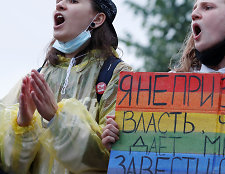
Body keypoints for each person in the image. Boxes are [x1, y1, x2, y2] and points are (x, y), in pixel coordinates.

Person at [103, 0, 225, 173]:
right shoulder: (168, 88)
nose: (194, 14)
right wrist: (120, 143)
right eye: (194, 8)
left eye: (208, 7)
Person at [0, 0, 131, 173]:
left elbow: (108, 161)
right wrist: (23, 125)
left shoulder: (116, 75)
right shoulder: (35, 79)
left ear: (97, 19)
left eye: (73, 1)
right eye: (58, 1)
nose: (59, 5)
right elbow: (10, 166)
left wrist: (56, 118)